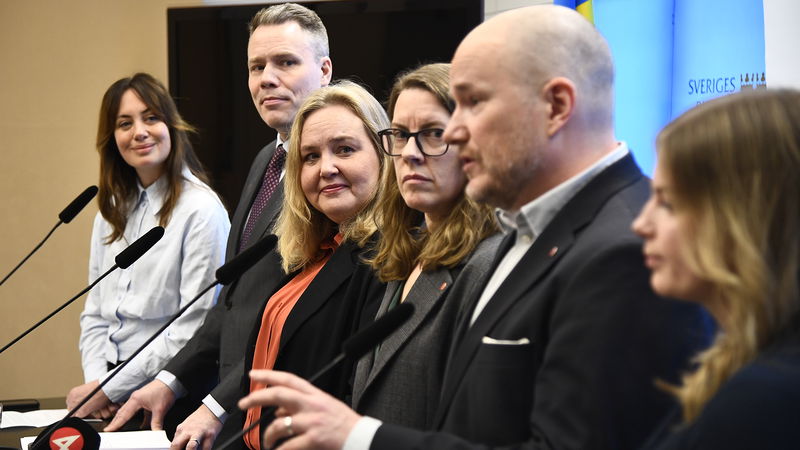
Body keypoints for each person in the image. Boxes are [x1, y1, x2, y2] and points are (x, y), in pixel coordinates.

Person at [237, 5, 710, 450]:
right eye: (402, 135)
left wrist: (363, 437)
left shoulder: (629, 249)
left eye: (474, 103)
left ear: (557, 105)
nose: (458, 132)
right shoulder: (530, 231)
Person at [104, 2, 333, 445]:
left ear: (324, 70)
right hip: (234, 408)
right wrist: (169, 380)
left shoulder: (331, 177)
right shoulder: (267, 160)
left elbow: (296, 324)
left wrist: (215, 404)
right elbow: (231, 301)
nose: (267, 78)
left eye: (285, 62)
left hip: (284, 416)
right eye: (256, 66)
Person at [632, 89, 800, 449]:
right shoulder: (750, 367)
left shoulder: (765, 400)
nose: (641, 225)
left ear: (745, 218)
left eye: (668, 203)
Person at [66, 72, 230, 419]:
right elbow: (95, 311)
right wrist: (97, 384)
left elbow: (194, 326)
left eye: (151, 117)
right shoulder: (110, 210)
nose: (139, 131)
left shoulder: (201, 211)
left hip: (169, 394)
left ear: (171, 125)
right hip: (107, 397)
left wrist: (107, 388)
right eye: (125, 123)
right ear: (112, 138)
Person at [235, 80, 387, 450]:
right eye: (311, 157)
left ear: (384, 154)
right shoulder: (313, 252)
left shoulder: (385, 259)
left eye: (345, 149)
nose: (326, 168)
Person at [352, 63, 500, 428]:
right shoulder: (405, 251)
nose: (410, 153)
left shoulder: (488, 264)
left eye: (434, 133)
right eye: (400, 135)